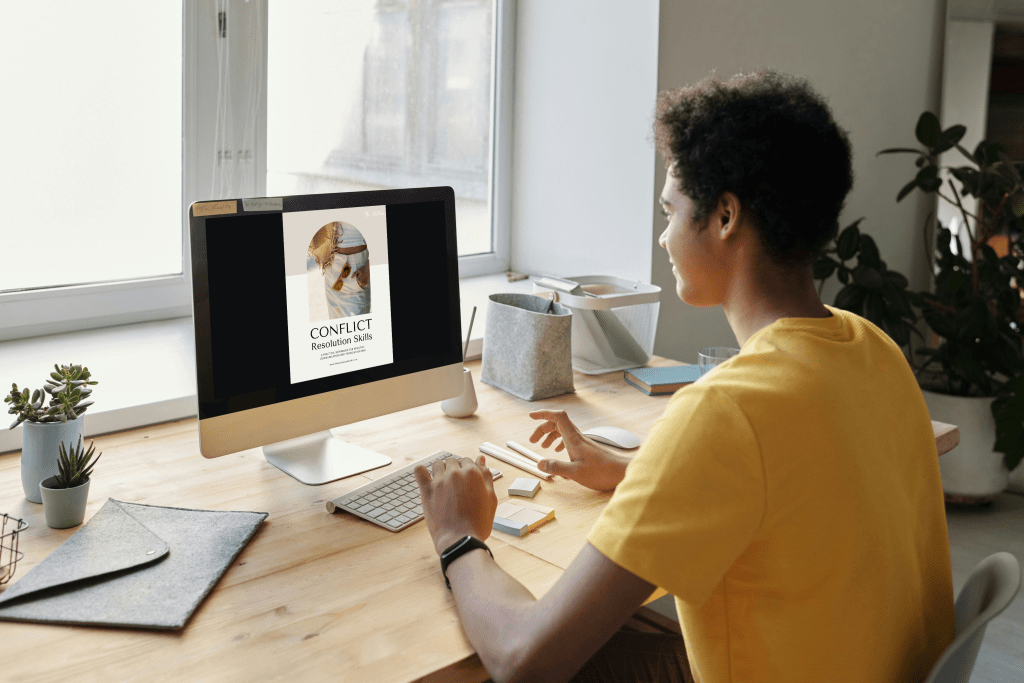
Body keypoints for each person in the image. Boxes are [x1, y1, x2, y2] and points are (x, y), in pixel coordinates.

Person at [414, 70, 954, 683]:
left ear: (725, 216)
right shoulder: (871, 347)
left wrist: (458, 536)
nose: (664, 236)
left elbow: (524, 661)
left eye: (670, 211)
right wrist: (639, 476)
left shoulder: (729, 411)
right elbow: (799, 489)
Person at [307, 220, 371, 318]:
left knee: (355, 332)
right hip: (331, 265)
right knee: (336, 330)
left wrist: (367, 271)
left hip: (355, 271)